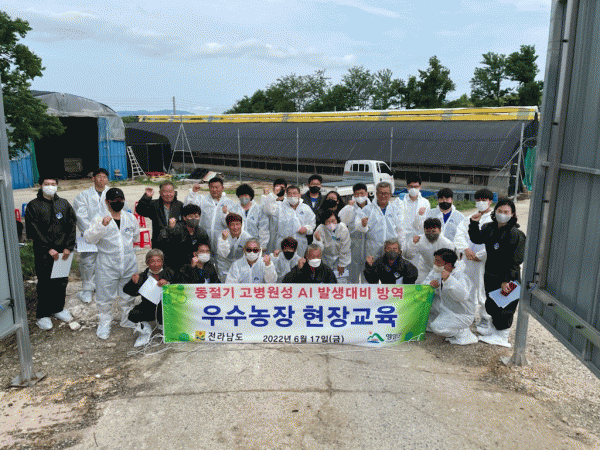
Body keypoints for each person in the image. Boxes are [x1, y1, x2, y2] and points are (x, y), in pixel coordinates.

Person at [469, 198, 526, 347]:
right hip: (491, 274)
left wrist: (507, 280)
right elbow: (476, 238)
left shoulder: (516, 234)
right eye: (499, 211)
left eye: (506, 212)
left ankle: (502, 335)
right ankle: (494, 330)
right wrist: (474, 223)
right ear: (495, 212)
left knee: (505, 306)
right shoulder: (489, 228)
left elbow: (516, 259)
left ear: (512, 214)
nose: (502, 214)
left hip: (508, 277)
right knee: (492, 304)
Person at [84, 188, 140, 340]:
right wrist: (102, 225)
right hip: (107, 264)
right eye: (114, 200)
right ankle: (104, 323)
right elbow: (89, 238)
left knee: (128, 293)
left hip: (128, 262)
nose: (118, 202)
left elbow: (135, 236)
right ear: (107, 202)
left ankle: (127, 319)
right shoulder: (99, 218)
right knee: (104, 296)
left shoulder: (130, 218)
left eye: (120, 199)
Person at [25, 176, 77, 330]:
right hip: (44, 252)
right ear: (41, 185)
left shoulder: (63, 204)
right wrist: (48, 248)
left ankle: (58, 308)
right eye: (46, 184)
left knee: (60, 281)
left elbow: (71, 225)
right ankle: (43, 314)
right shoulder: (34, 205)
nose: (50, 186)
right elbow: (33, 230)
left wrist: (68, 247)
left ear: (57, 185)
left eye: (53, 184)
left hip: (63, 252)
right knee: (45, 283)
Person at [454, 188, 494, 332]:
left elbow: (494, 242)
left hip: (484, 261)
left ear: (490, 201)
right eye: (478, 200)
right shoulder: (469, 218)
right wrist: (466, 249)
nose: (481, 202)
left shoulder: (493, 219)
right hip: (468, 260)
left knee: (483, 290)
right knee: (468, 288)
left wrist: (480, 255)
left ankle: (485, 319)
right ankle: (468, 316)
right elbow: (459, 234)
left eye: (484, 200)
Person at [422, 248, 477, 345]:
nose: (435, 263)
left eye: (438, 261)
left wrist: (449, 280)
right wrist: (431, 284)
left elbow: (463, 296)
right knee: (426, 318)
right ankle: (447, 323)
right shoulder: (436, 272)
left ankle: (463, 332)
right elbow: (424, 284)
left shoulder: (460, 276)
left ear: (448, 265)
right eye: (435, 260)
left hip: (462, 314)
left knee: (437, 328)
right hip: (446, 307)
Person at [123, 249, 175, 347]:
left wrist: (168, 283)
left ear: (162, 262)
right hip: (148, 306)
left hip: (167, 306)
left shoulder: (170, 273)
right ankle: (145, 331)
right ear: (147, 263)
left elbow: (181, 286)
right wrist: (133, 283)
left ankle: (166, 329)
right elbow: (128, 291)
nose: (156, 264)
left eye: (158, 261)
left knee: (166, 312)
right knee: (133, 314)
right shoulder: (142, 276)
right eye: (152, 261)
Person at [72, 168, 110, 303]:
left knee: (106, 261)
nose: (101, 179)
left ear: (107, 179)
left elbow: (119, 211)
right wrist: (92, 232)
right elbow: (80, 216)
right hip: (88, 234)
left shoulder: (112, 193)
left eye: (104, 177)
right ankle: (87, 289)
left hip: (107, 234)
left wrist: (105, 230)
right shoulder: (83, 196)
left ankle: (102, 287)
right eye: (99, 176)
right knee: (88, 262)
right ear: (93, 178)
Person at [185, 176, 235, 259]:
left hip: (220, 238)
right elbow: (189, 208)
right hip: (204, 237)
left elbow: (230, 223)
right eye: (212, 187)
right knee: (204, 259)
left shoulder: (229, 203)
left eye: (217, 187)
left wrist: (225, 213)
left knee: (221, 259)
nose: (214, 190)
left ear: (222, 188)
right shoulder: (203, 200)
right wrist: (193, 193)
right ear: (208, 187)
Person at [154, 204, 209, 272]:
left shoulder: (202, 232)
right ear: (184, 218)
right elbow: (162, 245)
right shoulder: (175, 229)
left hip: (193, 265)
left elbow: (206, 249)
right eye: (190, 216)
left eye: (196, 216)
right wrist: (170, 229)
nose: (194, 219)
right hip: (175, 266)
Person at [264, 185, 316, 257]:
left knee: (298, 262)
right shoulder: (280, 206)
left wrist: (306, 229)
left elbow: (312, 224)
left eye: (294, 193)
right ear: (286, 195)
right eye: (289, 193)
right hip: (283, 243)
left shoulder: (306, 208)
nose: (292, 196)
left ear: (299, 195)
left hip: (300, 243)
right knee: (281, 261)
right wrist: (274, 194)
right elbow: (267, 209)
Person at [357, 181, 404, 260]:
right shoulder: (367, 210)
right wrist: (363, 225)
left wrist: (401, 249)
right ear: (376, 193)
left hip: (391, 251)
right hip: (373, 251)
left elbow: (400, 231)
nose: (383, 196)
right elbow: (360, 230)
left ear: (390, 194)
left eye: (386, 193)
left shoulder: (396, 210)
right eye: (381, 193)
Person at [403, 218, 455, 283]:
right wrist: (413, 244)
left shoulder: (447, 244)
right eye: (428, 231)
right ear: (424, 230)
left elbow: (452, 263)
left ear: (440, 230)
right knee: (421, 285)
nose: (431, 234)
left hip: (441, 269)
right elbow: (408, 256)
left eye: (434, 231)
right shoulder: (419, 240)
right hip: (424, 269)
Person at [339, 183, 371, 283]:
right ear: (353, 195)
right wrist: (349, 207)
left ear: (367, 194)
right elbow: (341, 223)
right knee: (352, 279)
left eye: (362, 193)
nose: (360, 196)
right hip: (353, 248)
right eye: (357, 194)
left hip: (369, 249)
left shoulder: (373, 208)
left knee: (368, 279)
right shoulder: (349, 209)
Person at [313, 210, 351, 281]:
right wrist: (318, 241)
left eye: (333, 221)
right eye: (327, 222)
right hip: (325, 258)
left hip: (339, 258)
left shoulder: (343, 228)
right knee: (327, 280)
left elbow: (345, 248)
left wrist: (342, 264)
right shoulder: (320, 229)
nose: (331, 224)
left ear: (337, 219)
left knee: (340, 280)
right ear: (324, 222)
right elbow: (317, 250)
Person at [229, 184, 269, 251]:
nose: (243, 197)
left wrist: (263, 245)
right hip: (238, 245)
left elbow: (263, 229)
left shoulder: (258, 210)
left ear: (250, 196)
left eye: (245, 195)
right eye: (241, 195)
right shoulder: (234, 210)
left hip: (254, 246)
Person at [216, 213, 252, 280]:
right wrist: (224, 240)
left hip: (241, 267)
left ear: (241, 225)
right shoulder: (222, 236)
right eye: (232, 225)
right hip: (225, 267)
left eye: (238, 224)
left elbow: (251, 257)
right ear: (228, 226)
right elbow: (223, 254)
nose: (235, 227)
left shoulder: (247, 238)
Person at [398, 174, 430, 243]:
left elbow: (426, 222)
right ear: (407, 187)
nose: (413, 189)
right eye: (411, 186)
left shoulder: (425, 203)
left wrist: (420, 215)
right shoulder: (401, 201)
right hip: (403, 236)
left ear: (420, 187)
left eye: (415, 187)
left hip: (418, 236)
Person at [263, 178, 287, 253]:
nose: (280, 190)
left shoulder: (288, 202)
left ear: (285, 189)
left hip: (285, 236)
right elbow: (267, 210)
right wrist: (273, 195)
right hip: (271, 236)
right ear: (274, 188)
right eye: (277, 187)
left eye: (282, 188)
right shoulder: (270, 201)